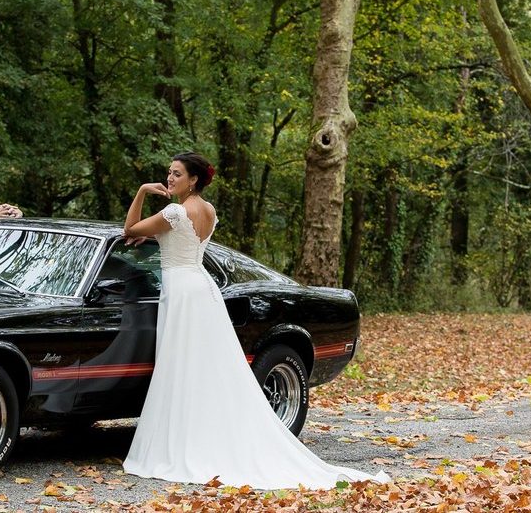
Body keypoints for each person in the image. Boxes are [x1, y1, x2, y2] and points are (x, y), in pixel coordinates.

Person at [121, 152, 388, 489]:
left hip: (181, 291)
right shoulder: (209, 211)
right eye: (167, 173)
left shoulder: (174, 211)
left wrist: (144, 191)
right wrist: (154, 234)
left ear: (193, 180)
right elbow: (179, 240)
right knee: (204, 367)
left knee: (182, 365)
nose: (169, 179)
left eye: (176, 174)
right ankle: (204, 435)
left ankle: (184, 441)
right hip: (202, 288)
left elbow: (129, 228)